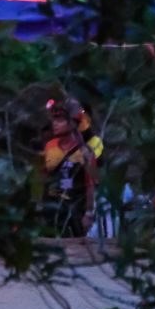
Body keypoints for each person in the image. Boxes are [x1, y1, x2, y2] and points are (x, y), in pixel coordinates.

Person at [41, 96, 103, 237]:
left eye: (60, 120)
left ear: (73, 123)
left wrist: (88, 212)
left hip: (75, 208)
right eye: (54, 120)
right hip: (52, 206)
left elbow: (91, 184)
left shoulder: (86, 152)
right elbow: (43, 176)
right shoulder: (49, 147)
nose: (55, 124)